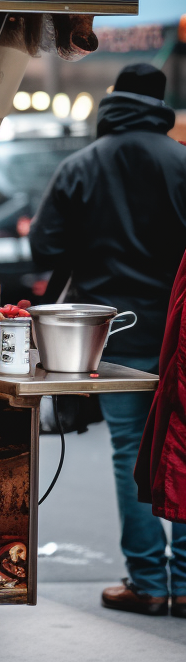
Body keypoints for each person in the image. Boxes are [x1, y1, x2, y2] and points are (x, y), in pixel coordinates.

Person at [30, 63, 186, 616]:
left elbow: (43, 248)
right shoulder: (182, 162)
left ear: (113, 100)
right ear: (161, 104)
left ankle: (146, 582)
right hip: (181, 330)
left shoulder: (82, 165)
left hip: (112, 332)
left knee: (129, 452)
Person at [135, 246, 186, 618]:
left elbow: (48, 241)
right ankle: (184, 583)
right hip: (159, 313)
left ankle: (148, 582)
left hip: (122, 321)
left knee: (126, 445)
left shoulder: (85, 182)